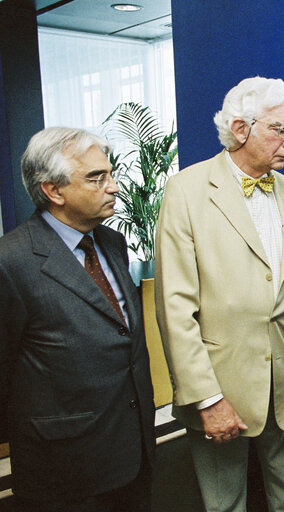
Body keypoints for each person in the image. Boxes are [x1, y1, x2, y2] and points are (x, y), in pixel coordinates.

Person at [154, 77, 284, 512]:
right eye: (280, 130)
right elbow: (174, 309)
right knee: (224, 504)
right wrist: (207, 399)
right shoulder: (187, 191)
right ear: (240, 129)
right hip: (221, 387)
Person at [0, 127, 155, 511]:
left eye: (110, 174)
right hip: (64, 469)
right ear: (54, 190)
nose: (114, 187)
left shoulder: (113, 243)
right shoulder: (11, 262)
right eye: (96, 178)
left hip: (133, 454)